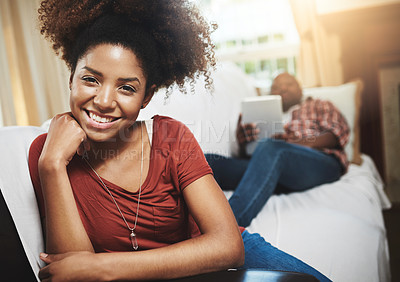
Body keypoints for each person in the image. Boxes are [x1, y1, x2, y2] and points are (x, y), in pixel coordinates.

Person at [28, 1, 331, 281]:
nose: (104, 101)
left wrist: (104, 266)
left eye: (127, 88)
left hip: (211, 260)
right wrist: (52, 165)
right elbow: (75, 272)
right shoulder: (48, 154)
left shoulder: (172, 137)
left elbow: (228, 246)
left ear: (147, 97)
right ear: (71, 78)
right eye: (90, 79)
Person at [206, 72, 350, 228]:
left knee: (271, 147)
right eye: (276, 87)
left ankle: (226, 227)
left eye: (288, 84)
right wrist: (243, 143)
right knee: (209, 162)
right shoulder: (261, 114)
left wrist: (294, 143)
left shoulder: (319, 104)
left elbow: (337, 134)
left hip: (320, 163)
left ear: (300, 90)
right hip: (273, 169)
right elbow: (258, 161)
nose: (282, 88)